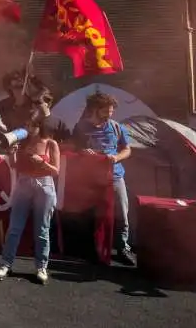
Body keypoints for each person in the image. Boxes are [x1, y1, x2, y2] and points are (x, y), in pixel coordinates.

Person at [0, 118, 60, 285]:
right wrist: (12, 153)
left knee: (42, 229)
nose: (28, 128)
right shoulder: (22, 142)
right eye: (27, 125)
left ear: (40, 126)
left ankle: (41, 267)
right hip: (24, 184)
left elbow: (56, 171)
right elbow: (15, 166)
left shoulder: (51, 144)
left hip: (44, 185)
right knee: (15, 227)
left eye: (32, 125)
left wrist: (41, 161)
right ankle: (5, 265)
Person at [71, 92, 135, 265]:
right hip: (89, 180)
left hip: (114, 176)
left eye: (111, 111)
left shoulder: (116, 127)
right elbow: (73, 149)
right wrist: (83, 152)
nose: (110, 114)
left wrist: (116, 158)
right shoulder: (81, 127)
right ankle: (92, 248)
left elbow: (127, 150)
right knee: (91, 214)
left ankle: (122, 248)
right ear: (95, 109)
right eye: (106, 111)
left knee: (122, 212)